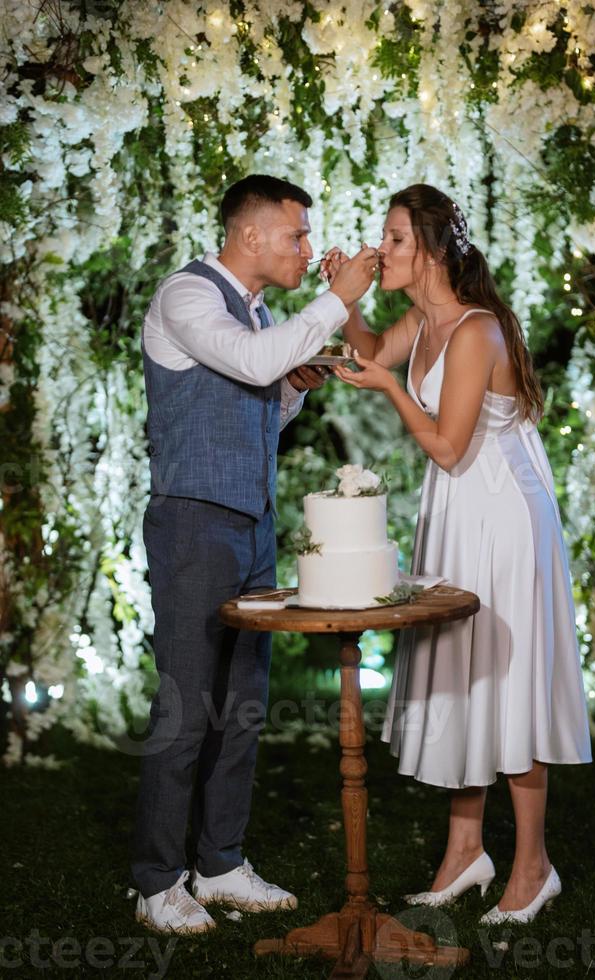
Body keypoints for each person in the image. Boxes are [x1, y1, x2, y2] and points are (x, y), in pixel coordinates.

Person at [329, 183, 592, 925]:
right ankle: (463, 852)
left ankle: (533, 866)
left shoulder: (476, 332)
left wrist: (386, 388)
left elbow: (445, 446)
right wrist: (343, 302)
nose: (381, 250)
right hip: (457, 515)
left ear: (435, 250)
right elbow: (374, 350)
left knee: (510, 681)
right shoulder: (421, 319)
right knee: (465, 673)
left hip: (503, 519)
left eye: (395, 239)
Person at [132, 174, 379, 933]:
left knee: (241, 706)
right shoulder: (188, 295)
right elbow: (247, 362)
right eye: (297, 234)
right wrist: (340, 298)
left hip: (250, 524)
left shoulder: (256, 313)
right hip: (193, 523)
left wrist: (295, 386)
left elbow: (255, 406)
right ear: (250, 235)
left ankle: (220, 863)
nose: (306, 248)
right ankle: (155, 882)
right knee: (186, 708)